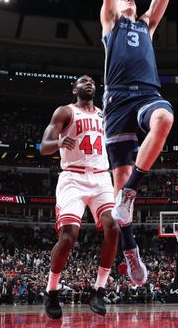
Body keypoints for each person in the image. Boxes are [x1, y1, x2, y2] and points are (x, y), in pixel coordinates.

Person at [100, 0, 174, 285]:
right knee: (115, 197)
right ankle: (131, 254)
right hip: (116, 103)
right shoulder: (110, 22)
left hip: (146, 95)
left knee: (164, 120)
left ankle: (132, 191)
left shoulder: (146, 25)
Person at [39, 75, 120, 318]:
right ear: (75, 89)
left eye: (92, 81)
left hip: (101, 177)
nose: (89, 83)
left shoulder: (103, 115)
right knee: (68, 237)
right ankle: (51, 291)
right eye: (83, 81)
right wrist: (60, 141)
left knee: (113, 227)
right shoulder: (65, 111)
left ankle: (99, 289)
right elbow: (44, 146)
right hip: (73, 178)